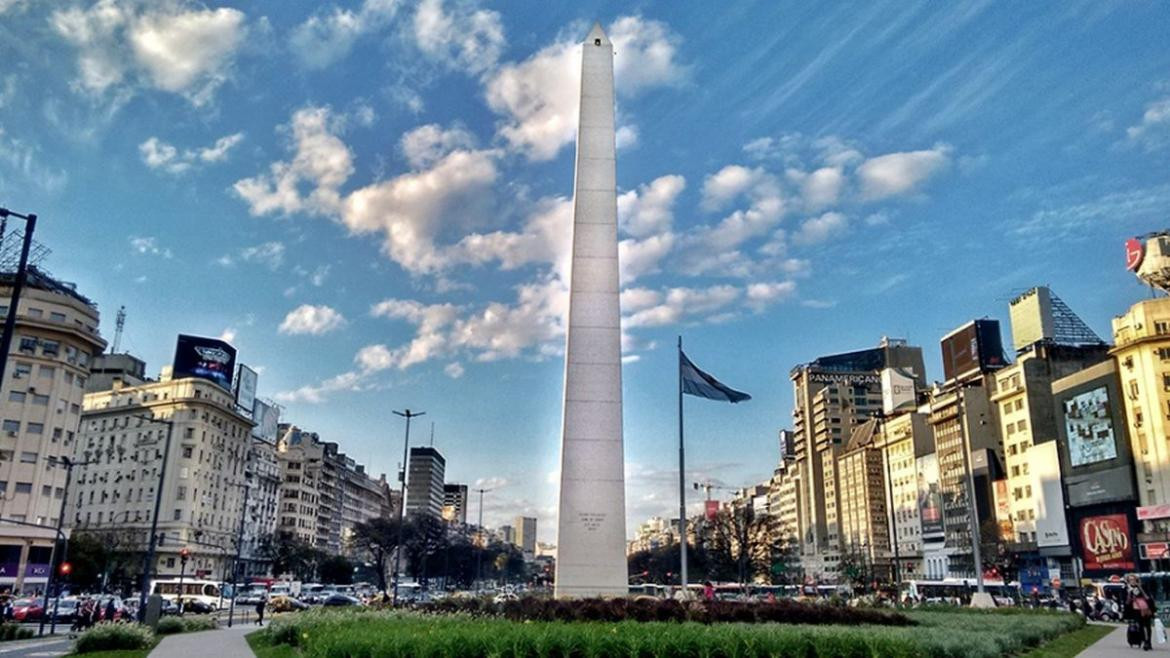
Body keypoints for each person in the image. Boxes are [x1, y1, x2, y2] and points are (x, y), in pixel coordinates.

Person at [1124, 573, 1156, 651]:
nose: (1132, 581)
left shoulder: (1142, 586)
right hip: (1136, 609)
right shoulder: (1127, 588)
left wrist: (1140, 587)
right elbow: (1127, 602)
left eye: (1133, 579)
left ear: (1136, 580)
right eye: (1130, 580)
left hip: (1145, 608)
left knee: (1147, 626)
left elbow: (1147, 597)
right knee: (1140, 626)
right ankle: (1144, 641)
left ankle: (1149, 642)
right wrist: (1129, 593)